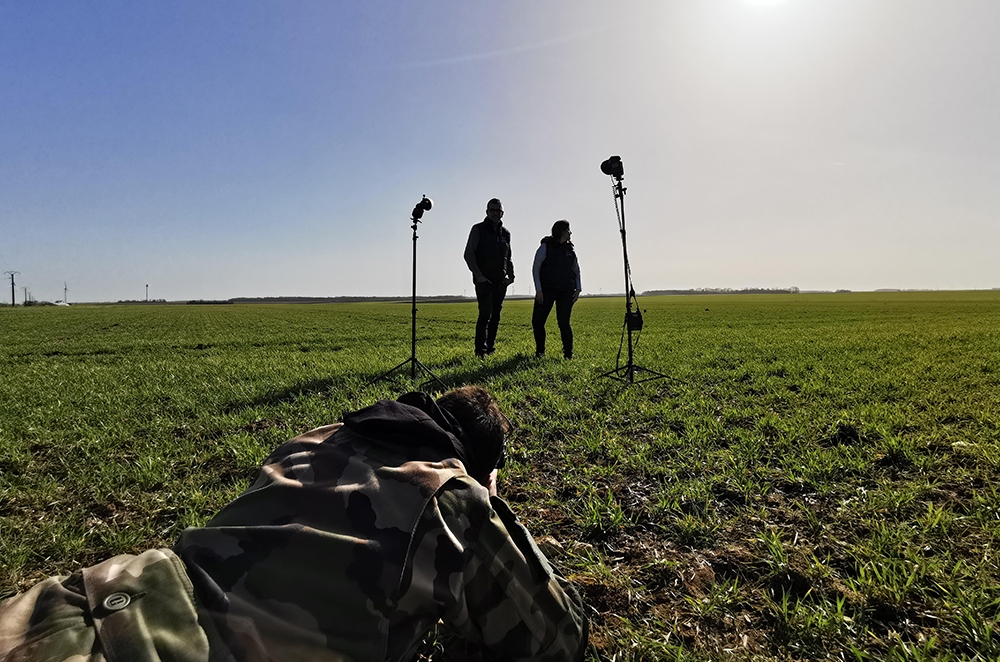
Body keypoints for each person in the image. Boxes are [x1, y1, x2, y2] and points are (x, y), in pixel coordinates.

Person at [0, 386, 588, 662]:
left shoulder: (312, 442)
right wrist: (492, 504)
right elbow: (557, 637)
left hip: (77, 600)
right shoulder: (449, 498)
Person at [464, 198, 515, 357]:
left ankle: (490, 349)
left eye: (497, 210)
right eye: (491, 210)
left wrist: (511, 276)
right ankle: (480, 351)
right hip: (484, 282)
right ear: (487, 212)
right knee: (485, 314)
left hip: (500, 282)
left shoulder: (505, 233)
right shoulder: (478, 229)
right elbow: (469, 254)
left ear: (502, 213)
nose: (494, 213)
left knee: (496, 317)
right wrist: (479, 276)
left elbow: (508, 256)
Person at [532, 220, 582, 359]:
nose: (570, 234)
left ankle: (568, 355)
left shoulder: (570, 250)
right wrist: (539, 290)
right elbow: (536, 268)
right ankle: (540, 352)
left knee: (564, 322)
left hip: (566, 291)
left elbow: (576, 270)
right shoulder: (545, 247)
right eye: (568, 231)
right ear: (561, 232)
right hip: (546, 290)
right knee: (538, 322)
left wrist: (578, 288)